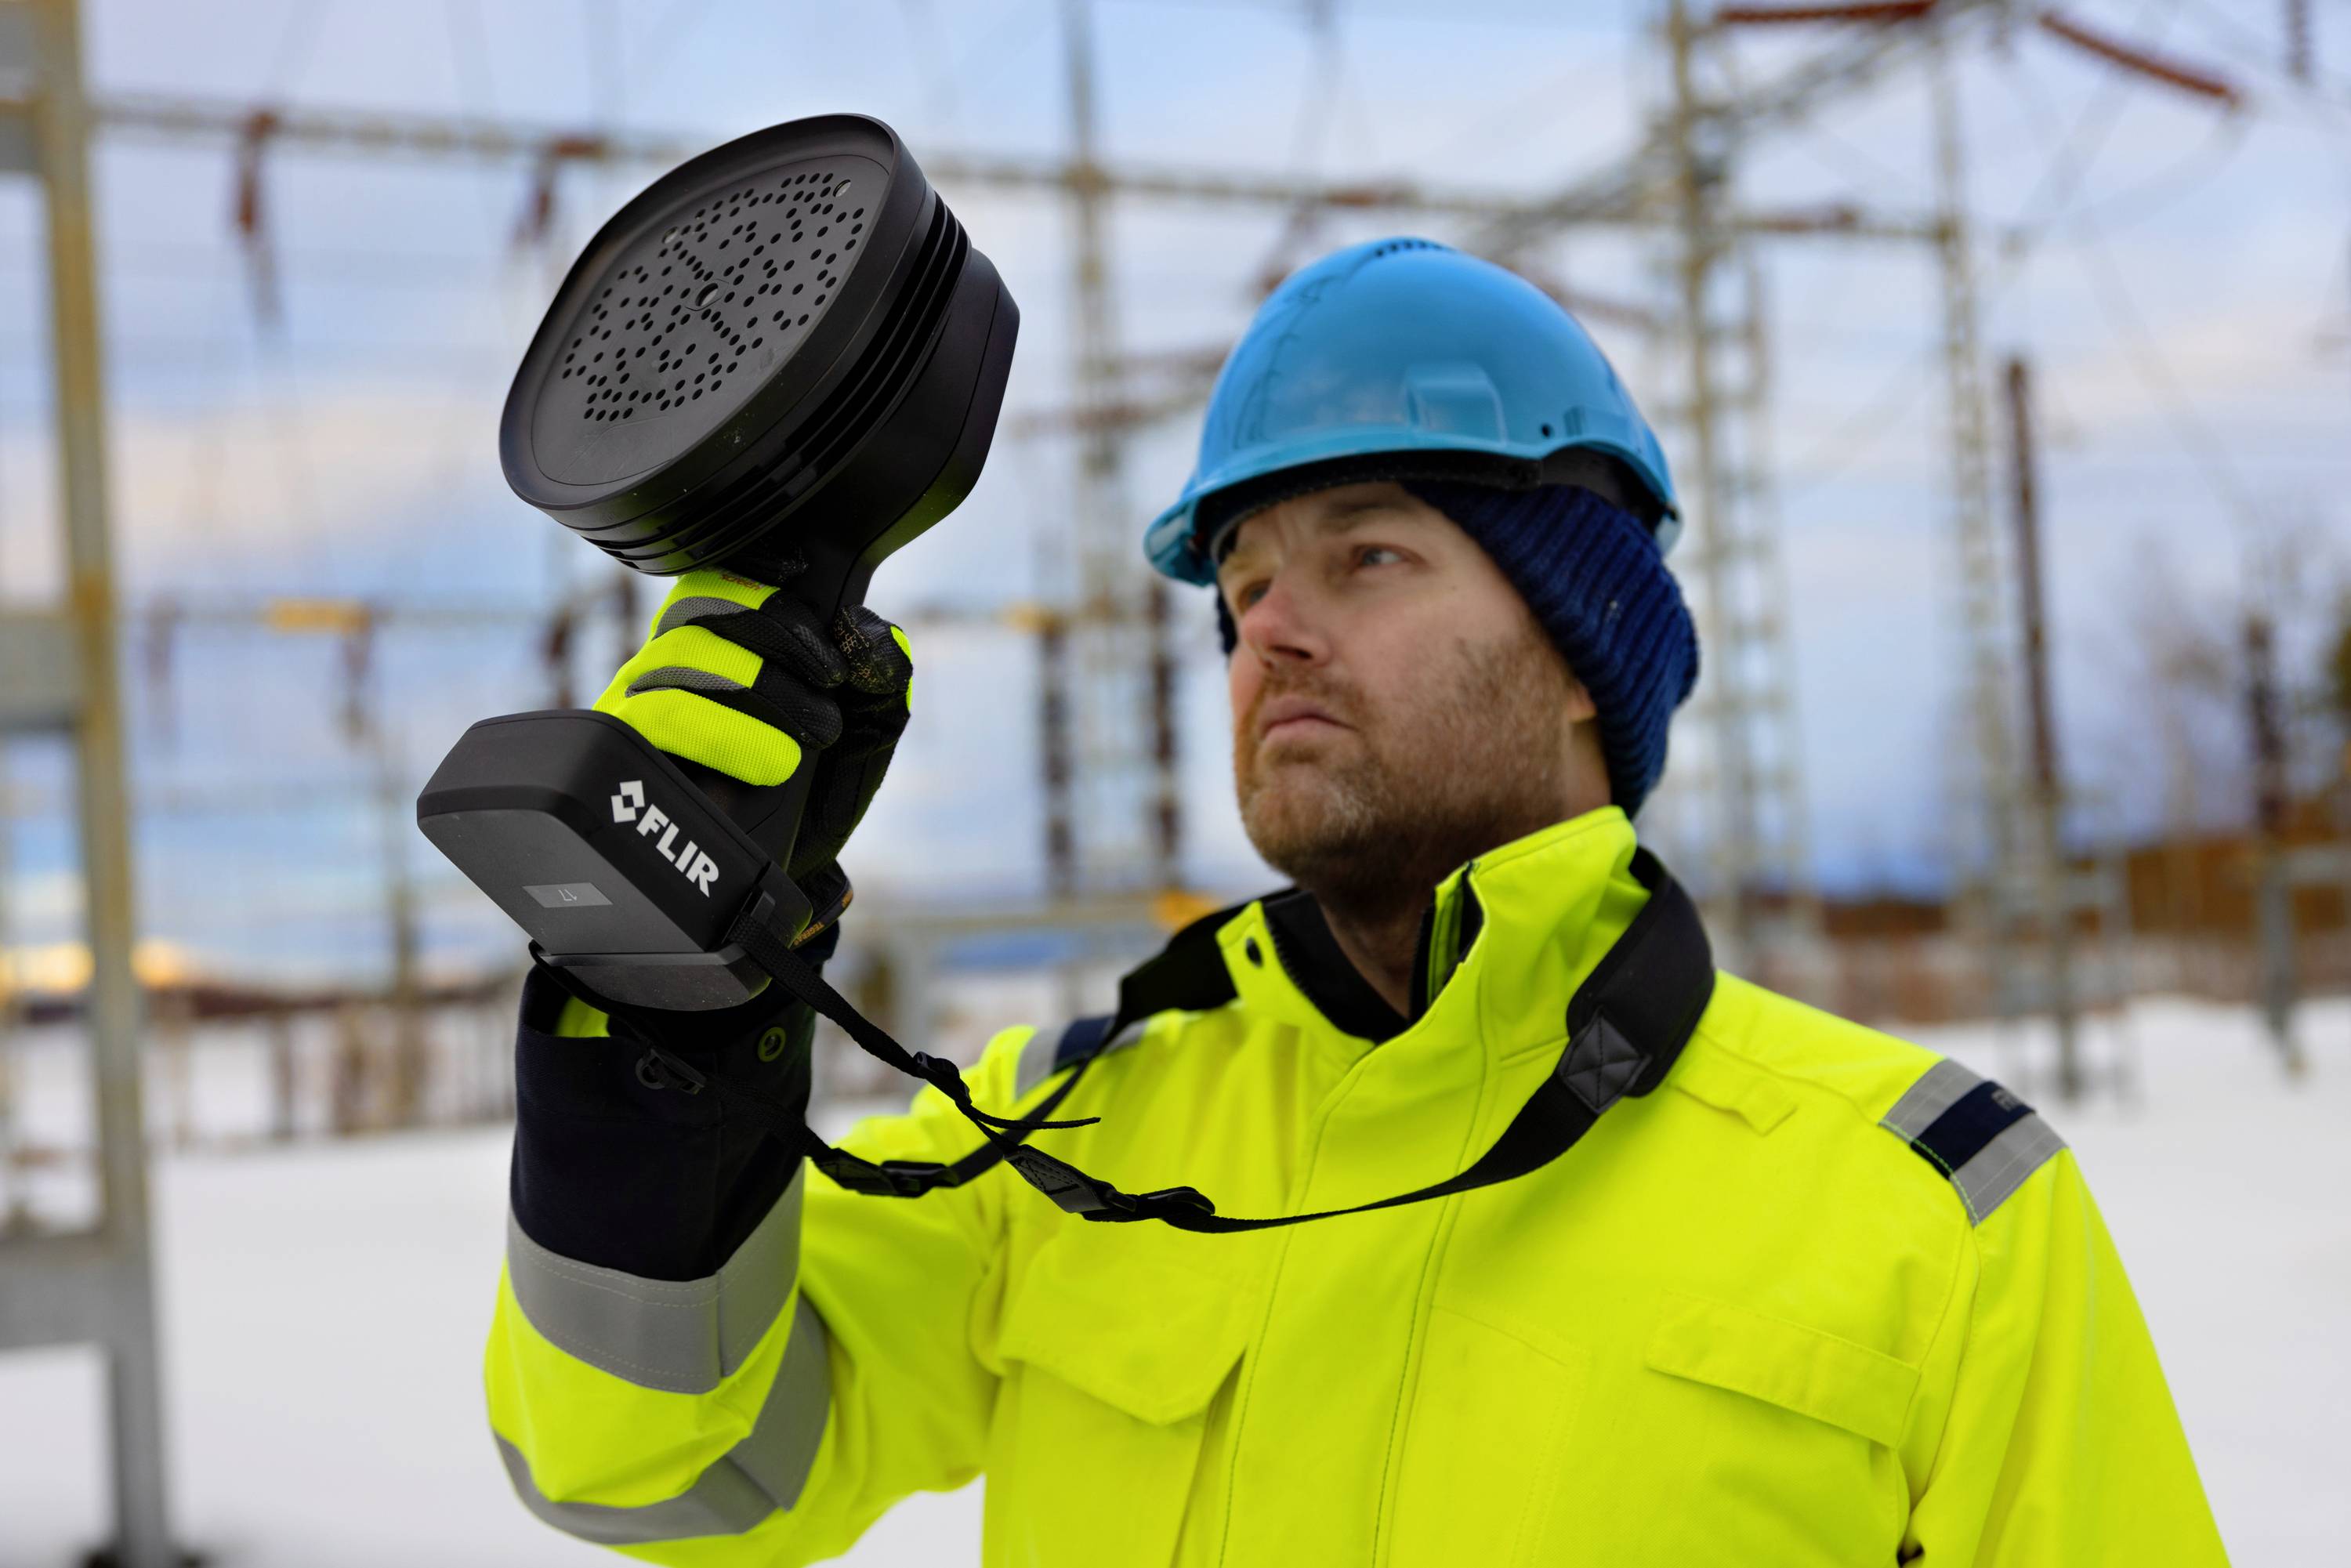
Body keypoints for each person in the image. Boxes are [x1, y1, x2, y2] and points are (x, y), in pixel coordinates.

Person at [483, 238, 2228, 1566]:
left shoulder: (1941, 1203)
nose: (1273, 633)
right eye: (1242, 587)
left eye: (1368, 555)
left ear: (1583, 653)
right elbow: (653, 1467)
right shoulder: (1055, 1137)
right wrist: (661, 1018)